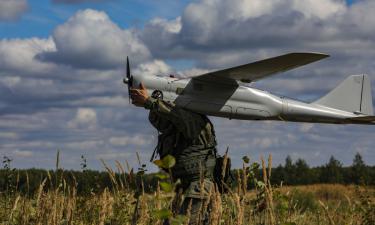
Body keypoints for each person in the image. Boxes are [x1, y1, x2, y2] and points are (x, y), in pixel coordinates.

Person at [130, 83, 217, 225]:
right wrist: (154, 99)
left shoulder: (195, 122)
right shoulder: (180, 125)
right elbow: (161, 122)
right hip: (184, 187)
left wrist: (150, 102)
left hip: (198, 188)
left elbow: (175, 115)